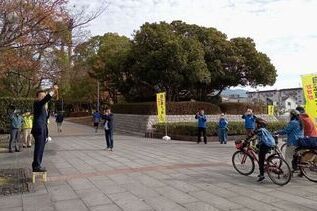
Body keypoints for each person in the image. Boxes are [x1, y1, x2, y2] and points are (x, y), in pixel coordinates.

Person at [31, 85, 58, 172]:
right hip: (39, 129)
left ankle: (37, 164)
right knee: (39, 147)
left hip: (43, 129)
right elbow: (46, 99)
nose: (42, 97)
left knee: (41, 147)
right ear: (37, 97)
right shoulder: (37, 104)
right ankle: (36, 166)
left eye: (43, 95)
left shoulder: (43, 107)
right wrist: (53, 90)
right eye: (41, 96)